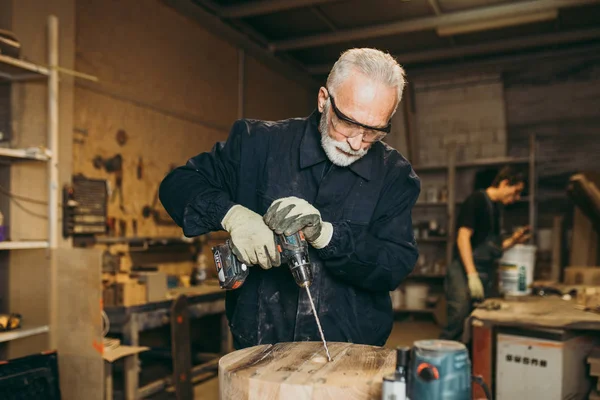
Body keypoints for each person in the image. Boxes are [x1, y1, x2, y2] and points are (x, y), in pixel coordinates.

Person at [159, 48, 420, 349]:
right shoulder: (257, 144)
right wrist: (233, 216)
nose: (357, 142)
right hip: (259, 351)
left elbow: (395, 264)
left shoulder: (395, 176)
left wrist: (328, 236)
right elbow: (177, 184)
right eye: (348, 123)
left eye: (374, 131)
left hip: (351, 356)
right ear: (324, 99)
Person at [440, 166, 530, 341]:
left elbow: (493, 247)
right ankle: (439, 359)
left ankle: (469, 361)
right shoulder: (477, 200)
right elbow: (463, 237)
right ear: (504, 183)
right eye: (516, 191)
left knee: (481, 320)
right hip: (465, 269)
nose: (516, 198)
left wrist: (514, 241)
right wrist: (472, 275)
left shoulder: (496, 209)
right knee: (458, 316)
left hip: (485, 269)